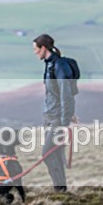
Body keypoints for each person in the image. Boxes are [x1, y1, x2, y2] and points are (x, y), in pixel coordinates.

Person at [31, 34, 76, 192]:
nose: (35, 52)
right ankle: (61, 190)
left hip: (57, 118)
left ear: (43, 48)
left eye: (36, 49)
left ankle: (60, 189)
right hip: (49, 117)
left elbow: (66, 94)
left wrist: (65, 122)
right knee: (54, 154)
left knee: (47, 154)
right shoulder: (49, 65)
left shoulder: (59, 66)